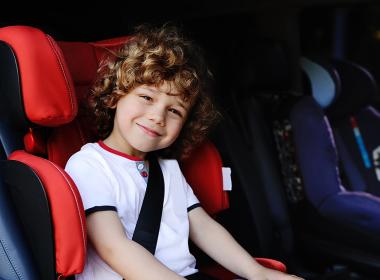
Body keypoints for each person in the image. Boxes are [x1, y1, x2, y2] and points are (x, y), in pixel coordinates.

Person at [65, 23, 304, 280]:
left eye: (175, 110)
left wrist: (258, 273)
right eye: (147, 97)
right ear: (115, 96)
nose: (158, 116)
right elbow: (115, 248)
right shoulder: (89, 164)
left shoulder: (167, 169)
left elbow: (203, 227)